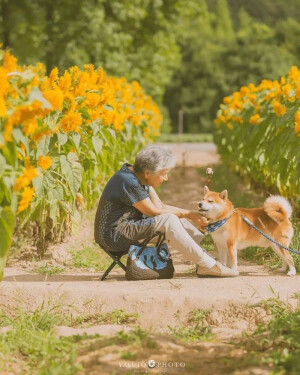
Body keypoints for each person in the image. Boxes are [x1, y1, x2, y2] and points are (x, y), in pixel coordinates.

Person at [94, 145, 239, 277]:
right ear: (147, 173)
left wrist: (190, 215)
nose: (166, 178)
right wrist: (188, 214)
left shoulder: (137, 177)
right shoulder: (128, 181)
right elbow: (153, 212)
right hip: (113, 236)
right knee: (169, 220)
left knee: (176, 217)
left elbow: (160, 206)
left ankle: (202, 262)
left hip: (127, 228)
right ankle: (208, 265)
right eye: (164, 173)